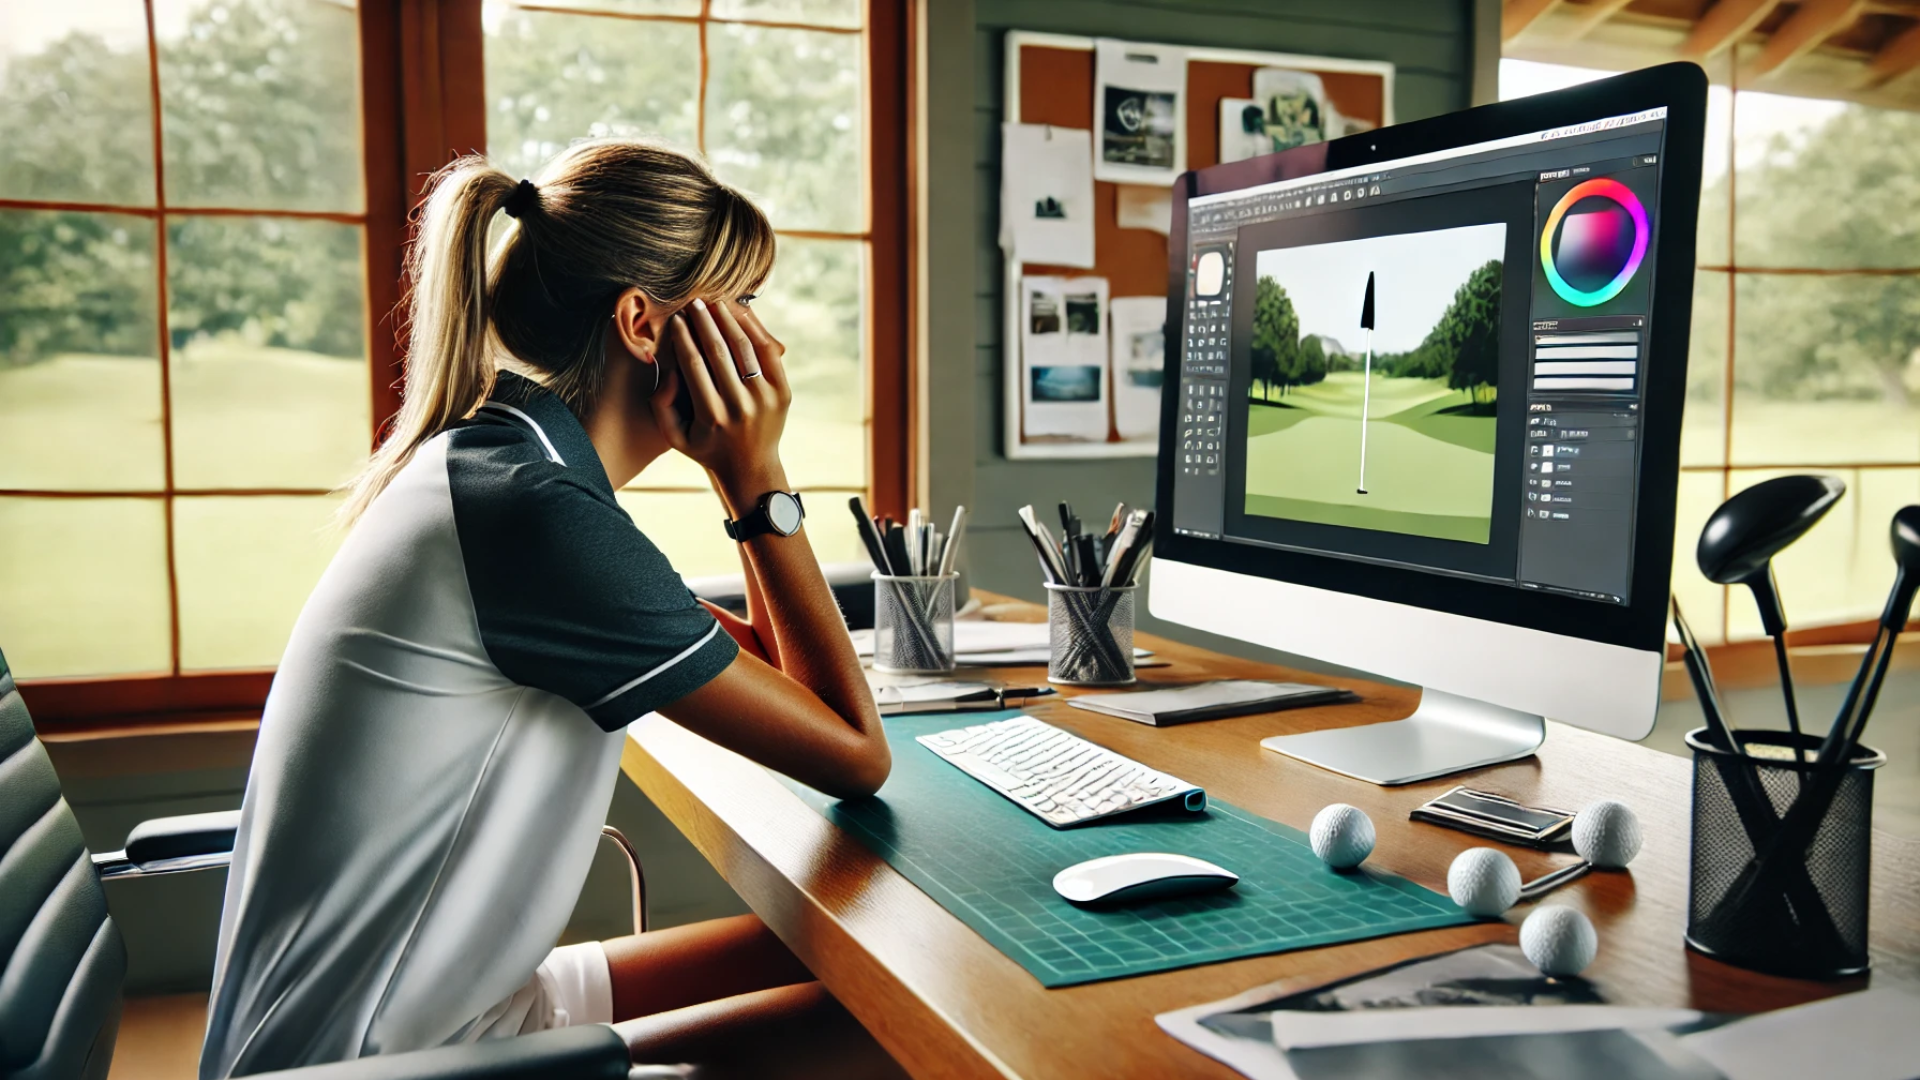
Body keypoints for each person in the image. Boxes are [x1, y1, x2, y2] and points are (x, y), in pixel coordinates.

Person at [198, 140, 897, 1079]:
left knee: (865, 968)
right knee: (897, 1032)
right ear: (644, 325)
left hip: (454, 1006)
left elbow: (785, 688)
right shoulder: (537, 513)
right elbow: (854, 753)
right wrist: (754, 474)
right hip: (377, 1060)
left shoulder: (506, 463)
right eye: (748, 305)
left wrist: (745, 486)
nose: (769, 349)